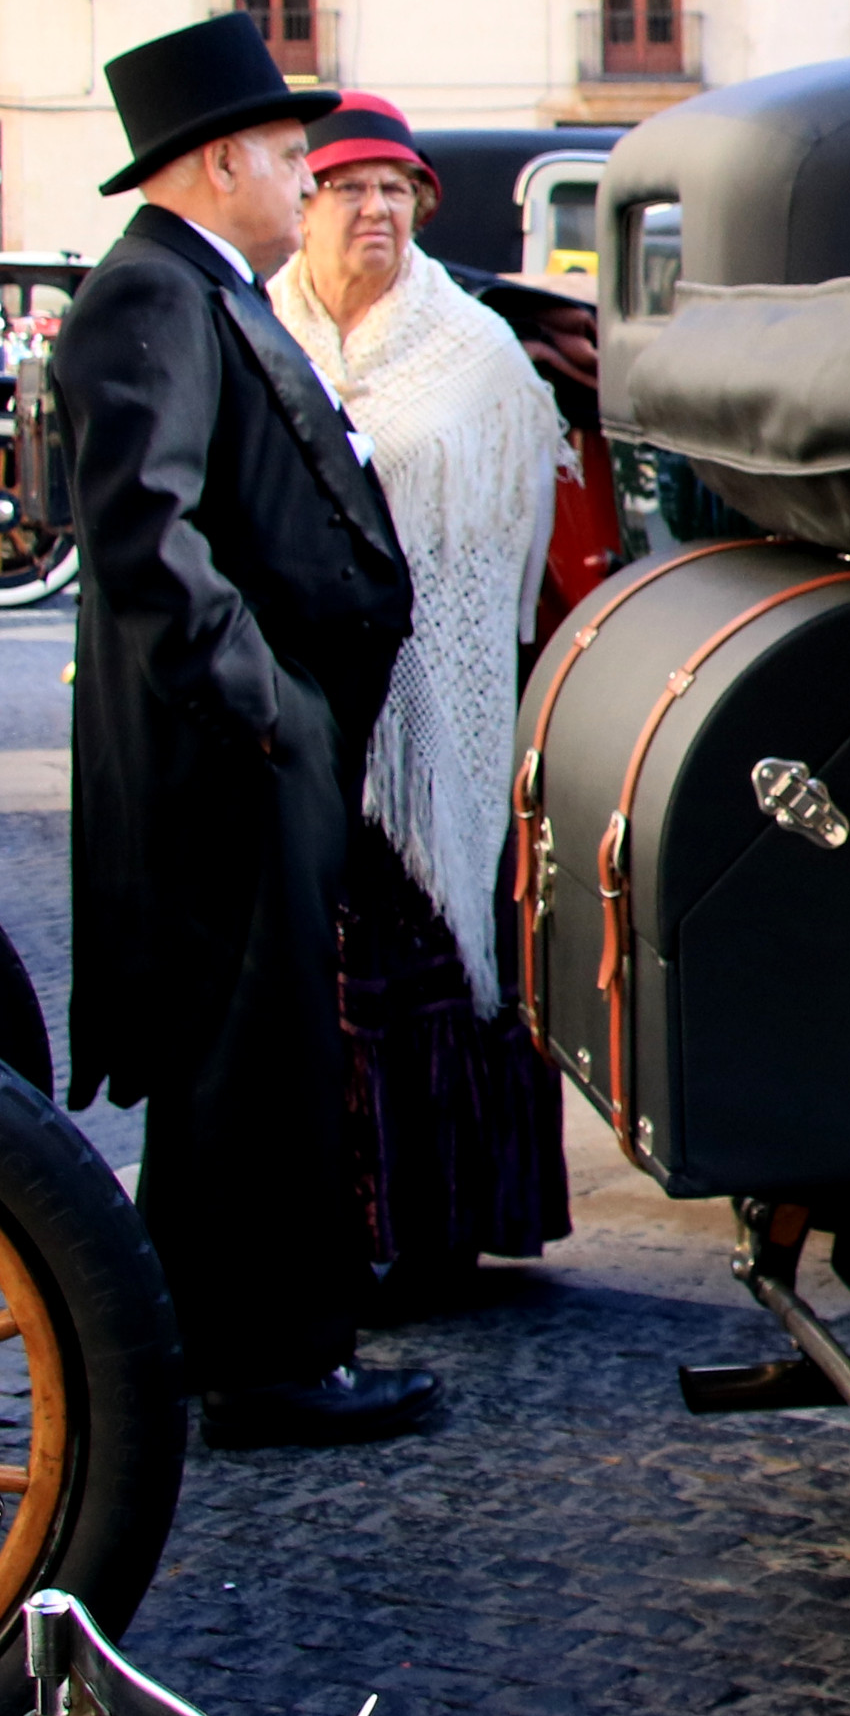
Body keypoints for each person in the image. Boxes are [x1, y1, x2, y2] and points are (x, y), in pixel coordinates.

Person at [56, 16, 428, 1447]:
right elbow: (150, 536)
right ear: (221, 163)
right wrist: (266, 708)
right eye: (289, 157)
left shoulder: (191, 288)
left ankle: (232, 1346)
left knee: (253, 1069)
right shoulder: (150, 297)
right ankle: (267, 1370)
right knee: (246, 1075)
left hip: (256, 757)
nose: (307, 181)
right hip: (227, 767)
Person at [269, 95, 573, 1302]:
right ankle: (329, 1221)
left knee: (431, 959)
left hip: (430, 698)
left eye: (399, 189)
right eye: (352, 187)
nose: (379, 209)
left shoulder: (474, 350)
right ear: (307, 204)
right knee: (318, 972)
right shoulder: (266, 331)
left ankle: (440, 1223)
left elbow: (505, 539)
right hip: (299, 699)